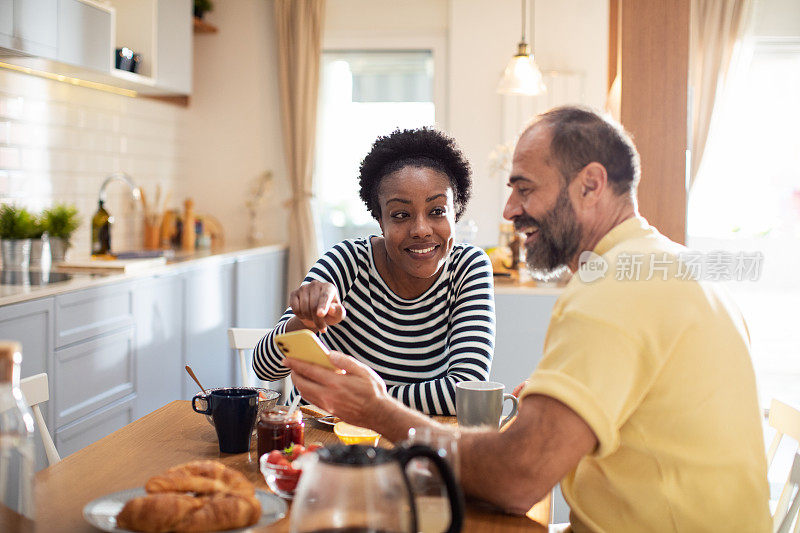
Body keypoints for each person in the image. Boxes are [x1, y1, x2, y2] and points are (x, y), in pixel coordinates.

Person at [284, 106, 772, 532]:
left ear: (591, 185)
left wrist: (375, 409)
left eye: (525, 189)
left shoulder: (612, 294)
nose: (509, 209)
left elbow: (517, 480)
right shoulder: (663, 265)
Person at [253, 127, 495, 415]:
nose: (420, 229)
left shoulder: (469, 267)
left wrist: (362, 399)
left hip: (416, 441)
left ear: (456, 213)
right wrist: (303, 324)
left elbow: (465, 391)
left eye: (437, 211)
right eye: (401, 215)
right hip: (329, 442)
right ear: (380, 221)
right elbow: (264, 368)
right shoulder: (346, 262)